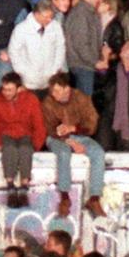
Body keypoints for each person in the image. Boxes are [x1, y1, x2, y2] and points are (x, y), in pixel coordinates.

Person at [41, 72, 106, 218]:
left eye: (58, 91)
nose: (54, 94)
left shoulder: (81, 98)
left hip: (80, 135)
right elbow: (49, 129)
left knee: (98, 153)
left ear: (67, 89)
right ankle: (65, 197)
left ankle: (94, 198)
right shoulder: (48, 102)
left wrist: (74, 129)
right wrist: (70, 141)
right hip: (56, 138)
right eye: (53, 91)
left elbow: (92, 123)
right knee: (64, 153)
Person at [0, 71, 46, 208]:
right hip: (6, 133)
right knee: (9, 149)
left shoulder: (31, 99)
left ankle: (24, 186)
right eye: (4, 89)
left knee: (26, 149)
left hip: (26, 133)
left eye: (10, 90)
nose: (6, 93)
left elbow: (39, 124)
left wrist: (37, 145)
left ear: (19, 89)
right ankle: (10, 186)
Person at [92, 38, 129, 151]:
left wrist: (128, 75)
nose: (123, 47)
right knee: (104, 149)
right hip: (107, 117)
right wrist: (105, 60)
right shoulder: (111, 69)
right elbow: (99, 88)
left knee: (126, 151)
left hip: (128, 120)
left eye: (128, 46)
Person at [7, 0, 65, 91]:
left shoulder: (56, 27)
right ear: (36, 14)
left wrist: (55, 69)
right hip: (28, 81)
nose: (49, 20)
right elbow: (14, 52)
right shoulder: (21, 29)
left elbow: (60, 48)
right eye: (46, 17)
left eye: (51, 17)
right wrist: (23, 72)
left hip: (50, 79)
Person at [64, 0, 104, 96]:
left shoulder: (87, 12)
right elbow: (81, 43)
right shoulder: (81, 14)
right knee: (85, 103)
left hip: (85, 64)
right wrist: (95, 62)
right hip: (83, 66)